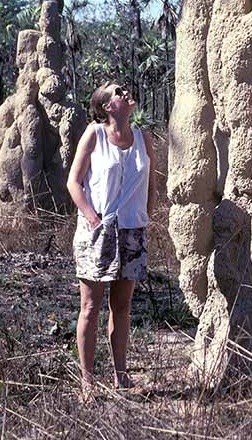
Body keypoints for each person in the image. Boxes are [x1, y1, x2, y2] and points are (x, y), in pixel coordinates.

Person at [67, 82, 156, 397]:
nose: (125, 93)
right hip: (98, 231)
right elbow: (74, 182)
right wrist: (91, 217)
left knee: (122, 306)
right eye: (118, 92)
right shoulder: (95, 134)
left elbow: (151, 185)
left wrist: (144, 218)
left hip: (132, 231)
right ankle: (88, 382)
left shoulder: (144, 138)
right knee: (90, 307)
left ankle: (121, 376)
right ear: (107, 106)